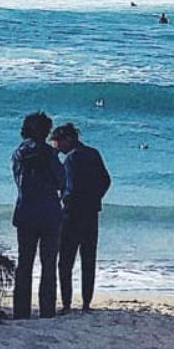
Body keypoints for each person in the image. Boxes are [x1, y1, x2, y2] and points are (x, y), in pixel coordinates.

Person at [51, 121, 112, 314]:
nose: (55, 146)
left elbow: (70, 188)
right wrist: (95, 198)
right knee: (88, 259)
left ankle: (67, 304)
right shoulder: (93, 153)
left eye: (57, 142)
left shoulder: (70, 159)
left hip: (72, 214)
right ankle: (86, 303)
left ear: (67, 140)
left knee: (65, 261)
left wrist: (64, 202)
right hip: (92, 212)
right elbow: (106, 180)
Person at [10, 111, 64, 319]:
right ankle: (47, 310)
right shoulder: (50, 154)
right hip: (50, 212)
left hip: (25, 211)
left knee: (25, 263)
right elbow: (62, 181)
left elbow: (18, 180)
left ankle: (21, 311)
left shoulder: (18, 153)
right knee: (49, 264)